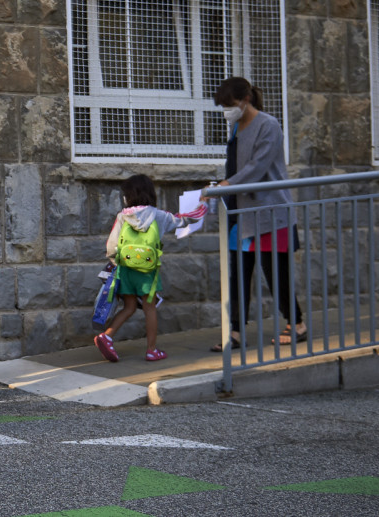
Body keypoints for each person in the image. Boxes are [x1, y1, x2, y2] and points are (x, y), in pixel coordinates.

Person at [209, 77, 306, 352]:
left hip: (270, 213)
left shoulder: (269, 125)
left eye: (230, 105)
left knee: (276, 273)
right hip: (242, 213)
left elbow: (257, 167)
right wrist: (221, 188)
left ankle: (297, 324)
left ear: (245, 100)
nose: (227, 111)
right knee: (239, 275)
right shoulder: (236, 126)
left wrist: (225, 186)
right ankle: (236, 332)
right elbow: (236, 167)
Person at [93, 175, 206, 362]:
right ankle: (152, 350)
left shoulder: (122, 216)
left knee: (128, 307)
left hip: (126, 269)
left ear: (128, 196)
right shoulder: (160, 215)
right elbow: (184, 220)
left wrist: (116, 263)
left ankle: (107, 335)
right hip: (148, 273)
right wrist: (203, 206)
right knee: (149, 308)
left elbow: (111, 246)